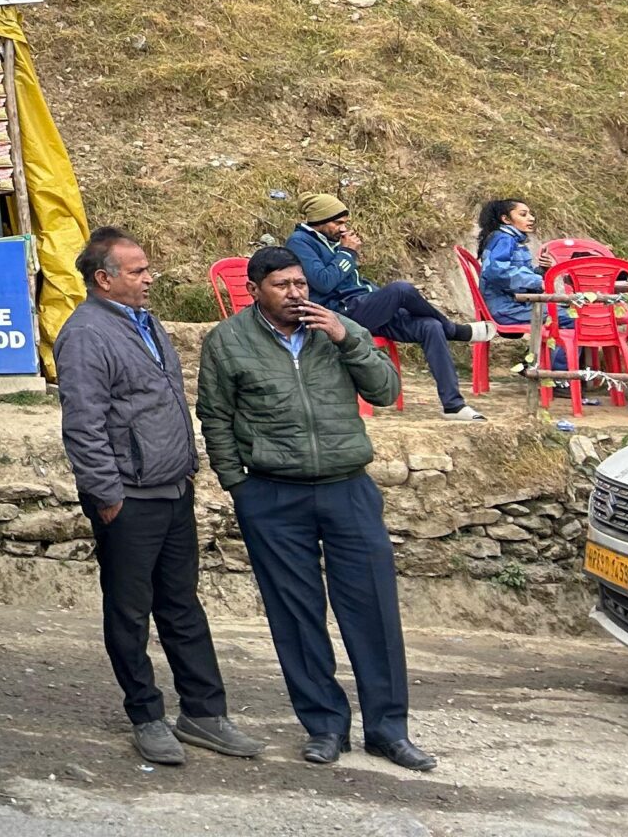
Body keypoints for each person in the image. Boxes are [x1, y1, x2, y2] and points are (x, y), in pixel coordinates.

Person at [195, 245, 433, 773]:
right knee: (296, 616)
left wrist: (347, 340)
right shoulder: (228, 341)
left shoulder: (339, 330)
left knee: (372, 610)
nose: (297, 293)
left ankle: (389, 731)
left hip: (349, 487)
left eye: (301, 283)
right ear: (255, 290)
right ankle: (325, 726)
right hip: (273, 495)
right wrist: (240, 487)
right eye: (283, 285)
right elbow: (215, 416)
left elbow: (387, 390)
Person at [52, 229, 262, 769]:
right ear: (104, 279)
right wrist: (106, 495)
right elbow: (84, 422)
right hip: (128, 498)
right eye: (138, 271)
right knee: (129, 612)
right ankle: (146, 715)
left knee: (182, 604)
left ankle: (204, 712)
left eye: (148, 269)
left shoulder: (144, 321)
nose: (149, 279)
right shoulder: (85, 333)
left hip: (172, 488)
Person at [287, 195, 490, 421]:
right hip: (341, 315)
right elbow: (323, 282)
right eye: (338, 223)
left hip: (365, 306)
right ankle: (454, 330)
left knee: (430, 326)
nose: (343, 229)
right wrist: (348, 253)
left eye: (345, 223)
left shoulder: (333, 240)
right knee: (400, 289)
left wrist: (374, 292)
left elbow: (353, 282)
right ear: (319, 220)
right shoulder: (300, 242)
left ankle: (453, 405)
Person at [474, 199, 544, 329]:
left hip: (515, 305)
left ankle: (547, 349)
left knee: (573, 313)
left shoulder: (511, 240)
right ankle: (555, 350)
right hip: (506, 309)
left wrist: (544, 270)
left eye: (530, 214)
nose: (532, 218)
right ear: (506, 219)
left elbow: (520, 275)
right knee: (574, 316)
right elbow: (497, 272)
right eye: (523, 215)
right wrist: (538, 281)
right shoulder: (504, 239)